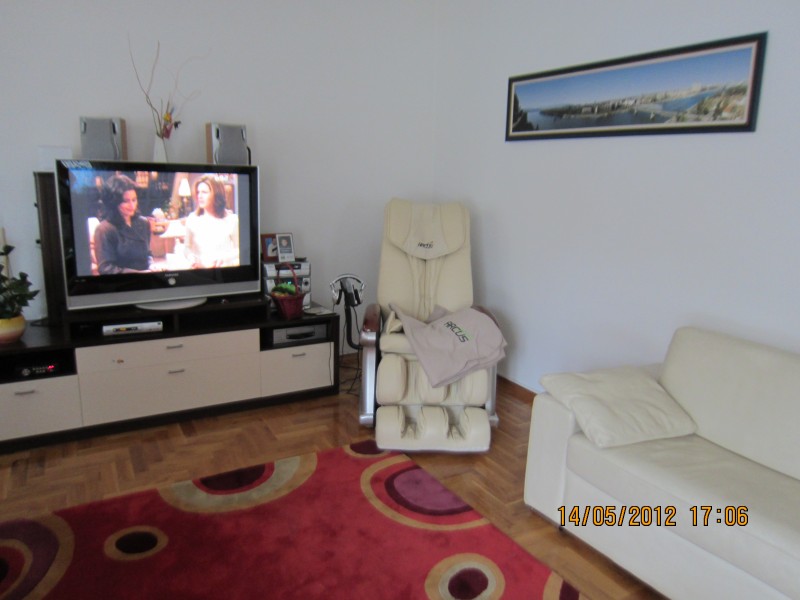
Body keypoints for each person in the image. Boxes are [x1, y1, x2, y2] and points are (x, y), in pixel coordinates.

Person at [94, 174, 154, 274]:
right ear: (114, 203)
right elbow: (106, 268)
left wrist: (152, 266)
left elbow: (148, 254)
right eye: (126, 201)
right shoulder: (104, 229)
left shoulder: (144, 223)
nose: (132, 205)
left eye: (134, 200)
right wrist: (140, 274)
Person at [183, 176, 240, 268]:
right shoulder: (193, 219)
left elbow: (239, 249)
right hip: (199, 271)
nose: (200, 196)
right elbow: (187, 248)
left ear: (216, 194)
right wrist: (191, 258)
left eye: (204, 192)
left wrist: (224, 258)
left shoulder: (231, 220)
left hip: (224, 272)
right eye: (198, 192)